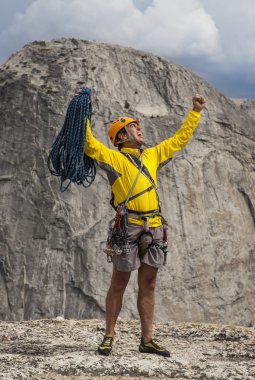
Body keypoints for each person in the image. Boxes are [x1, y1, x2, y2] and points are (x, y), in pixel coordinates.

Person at [84, 94, 206, 357]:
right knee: (120, 282)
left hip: (154, 225)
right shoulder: (113, 158)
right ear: (122, 137)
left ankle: (147, 340)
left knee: (149, 284)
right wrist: (83, 110)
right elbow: (89, 144)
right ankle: (109, 336)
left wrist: (194, 112)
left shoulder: (151, 155)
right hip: (128, 227)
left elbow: (178, 141)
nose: (140, 130)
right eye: (134, 127)